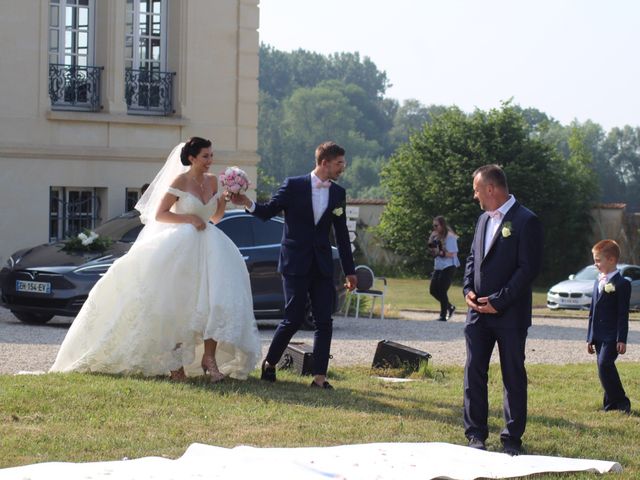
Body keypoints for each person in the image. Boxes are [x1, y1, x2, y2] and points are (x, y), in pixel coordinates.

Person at [50, 137, 261, 382]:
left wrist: (223, 198)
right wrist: (189, 219)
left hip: (211, 247)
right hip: (182, 246)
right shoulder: (180, 181)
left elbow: (215, 218)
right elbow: (160, 214)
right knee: (178, 304)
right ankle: (175, 365)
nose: (210, 161)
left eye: (211, 156)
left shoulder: (213, 180)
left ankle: (210, 359)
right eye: (205, 156)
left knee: (214, 301)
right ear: (192, 158)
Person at [232, 141, 357, 390]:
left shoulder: (338, 194)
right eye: (339, 163)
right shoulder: (294, 185)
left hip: (321, 265)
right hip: (295, 262)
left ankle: (319, 377)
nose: (343, 167)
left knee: (324, 320)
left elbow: (341, 235)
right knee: (293, 317)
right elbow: (268, 212)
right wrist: (247, 202)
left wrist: (350, 270)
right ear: (325, 163)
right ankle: (270, 363)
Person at [462, 164, 543, 455]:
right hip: (477, 314)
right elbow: (473, 257)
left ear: (491, 189)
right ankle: (475, 435)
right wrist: (468, 290)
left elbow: (528, 269)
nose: (475, 196)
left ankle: (511, 439)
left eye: (476, 189)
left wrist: (499, 300)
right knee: (474, 372)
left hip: (510, 314)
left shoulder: (526, 220)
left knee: (512, 375)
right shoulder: (482, 219)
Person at [587, 239, 631, 414]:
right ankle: (610, 404)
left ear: (611, 260)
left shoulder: (622, 284)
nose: (595, 264)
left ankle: (622, 402)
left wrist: (622, 338)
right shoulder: (598, 282)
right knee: (602, 368)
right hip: (598, 335)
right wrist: (589, 337)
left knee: (605, 364)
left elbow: (623, 314)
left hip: (612, 335)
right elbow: (592, 312)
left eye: (598, 260)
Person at [428, 215, 460, 321]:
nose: (435, 228)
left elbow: (452, 254)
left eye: (436, 225)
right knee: (433, 290)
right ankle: (450, 307)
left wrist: (440, 253)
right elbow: (432, 250)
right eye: (433, 226)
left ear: (442, 225)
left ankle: (443, 315)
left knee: (442, 290)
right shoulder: (436, 236)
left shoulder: (450, 236)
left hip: (449, 266)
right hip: (438, 266)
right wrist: (431, 239)